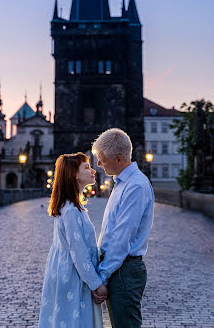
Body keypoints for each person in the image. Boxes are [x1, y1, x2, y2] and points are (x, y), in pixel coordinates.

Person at [92, 128, 154, 328]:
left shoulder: (135, 186)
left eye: (102, 159)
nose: (99, 164)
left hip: (123, 271)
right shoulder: (121, 184)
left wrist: (101, 276)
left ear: (119, 158)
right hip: (118, 269)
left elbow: (121, 238)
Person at [38, 152, 107, 328]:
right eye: (87, 167)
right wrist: (97, 285)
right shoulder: (71, 211)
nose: (93, 171)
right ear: (73, 174)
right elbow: (79, 254)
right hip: (73, 279)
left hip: (69, 275)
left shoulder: (71, 206)